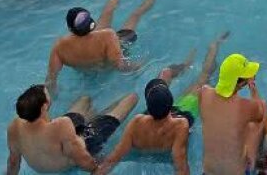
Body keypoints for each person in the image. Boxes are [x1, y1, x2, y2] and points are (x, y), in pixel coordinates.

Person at [94, 32, 229, 175]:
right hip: (177, 119)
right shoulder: (180, 125)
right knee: (203, 79)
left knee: (165, 74)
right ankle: (214, 47)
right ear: (170, 105)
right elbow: (181, 165)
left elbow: (112, 160)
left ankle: (186, 64)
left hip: (151, 131)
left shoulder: (136, 122)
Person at [46, 0, 165, 94]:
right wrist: (145, 63)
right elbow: (122, 67)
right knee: (135, 14)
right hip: (111, 54)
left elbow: (51, 80)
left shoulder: (59, 47)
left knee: (107, 12)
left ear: (70, 29)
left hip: (88, 74)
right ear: (91, 23)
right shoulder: (107, 35)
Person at [6, 85, 137, 174]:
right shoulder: (62, 125)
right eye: (47, 95)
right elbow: (82, 158)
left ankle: (95, 115)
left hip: (56, 145)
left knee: (85, 100)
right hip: (87, 141)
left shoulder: (15, 127)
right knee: (131, 98)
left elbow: (13, 162)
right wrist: (97, 169)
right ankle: (101, 117)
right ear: (44, 107)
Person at [198, 53, 267, 175]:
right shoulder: (245, 106)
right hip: (237, 172)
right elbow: (261, 112)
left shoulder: (203, 93)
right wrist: (252, 86)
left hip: (208, 172)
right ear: (240, 83)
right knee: (261, 116)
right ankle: (256, 161)